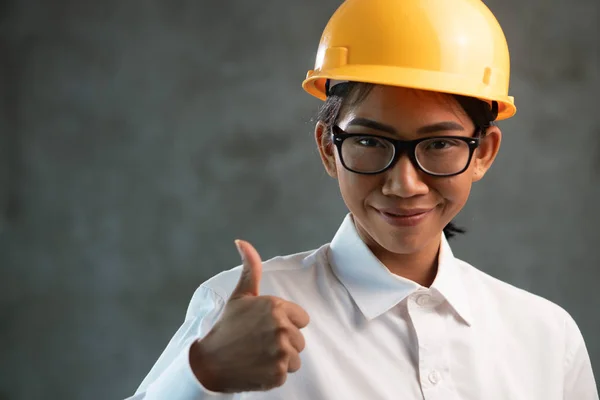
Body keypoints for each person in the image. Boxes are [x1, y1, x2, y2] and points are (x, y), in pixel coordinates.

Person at [127, 0, 598, 399]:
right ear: (329, 148)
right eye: (372, 142)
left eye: (438, 144)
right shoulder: (239, 316)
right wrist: (202, 372)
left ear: (484, 152)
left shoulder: (546, 337)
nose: (405, 184)